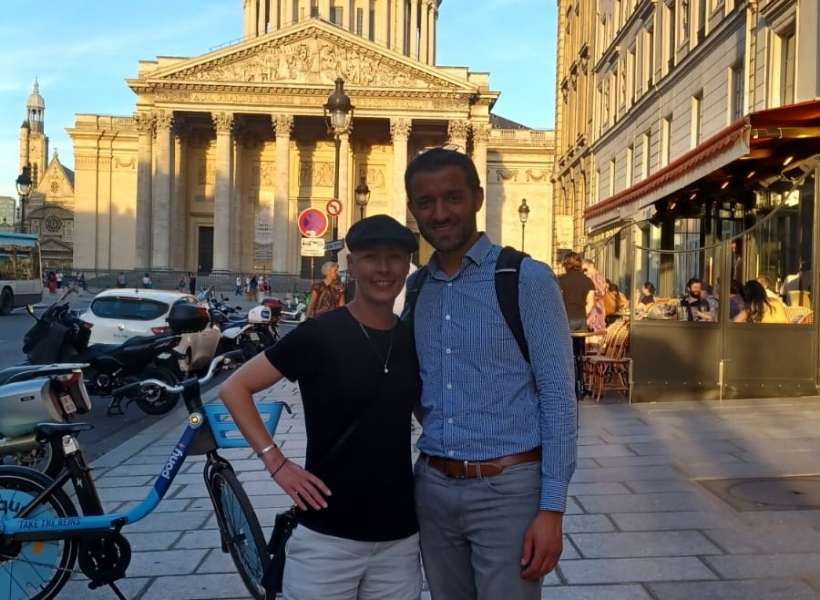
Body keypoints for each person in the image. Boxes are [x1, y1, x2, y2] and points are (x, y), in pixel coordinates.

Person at [218, 215, 422, 599]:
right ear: (351, 265)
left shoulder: (412, 338)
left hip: (399, 538)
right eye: (370, 257)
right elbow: (235, 388)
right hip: (327, 537)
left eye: (395, 257)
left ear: (407, 266)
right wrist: (275, 462)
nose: (383, 268)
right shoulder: (320, 334)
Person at [405, 148, 576, 600]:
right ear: (413, 209)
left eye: (453, 198)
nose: (440, 213)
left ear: (478, 198)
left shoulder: (526, 279)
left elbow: (559, 397)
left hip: (508, 491)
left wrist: (551, 509)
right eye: (426, 202)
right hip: (434, 490)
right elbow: (419, 386)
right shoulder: (417, 288)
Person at [558, 252, 594, 332]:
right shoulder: (588, 281)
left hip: (565, 319)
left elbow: (555, 301)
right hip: (581, 320)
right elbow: (591, 303)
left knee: (566, 344)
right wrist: (583, 315)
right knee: (580, 344)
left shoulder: (560, 281)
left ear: (566, 265)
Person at [582, 259, 607, 332]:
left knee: (595, 331)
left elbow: (602, 292)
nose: (584, 272)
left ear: (591, 266)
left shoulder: (598, 277)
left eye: (585, 269)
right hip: (590, 309)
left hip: (596, 309)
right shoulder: (589, 277)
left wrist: (592, 292)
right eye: (583, 270)